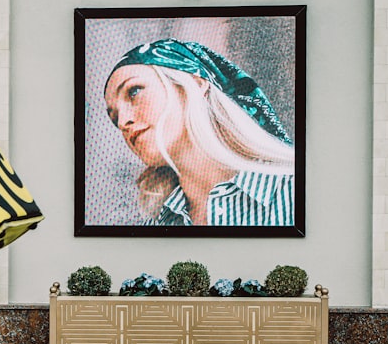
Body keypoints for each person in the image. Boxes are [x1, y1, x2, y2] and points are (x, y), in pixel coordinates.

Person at [102, 39, 295, 226]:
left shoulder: (295, 192)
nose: (122, 122)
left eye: (134, 91)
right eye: (114, 116)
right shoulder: (153, 227)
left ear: (196, 83)